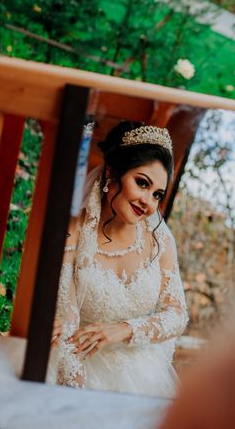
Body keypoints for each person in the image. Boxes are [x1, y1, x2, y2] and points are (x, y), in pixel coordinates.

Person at [47, 121, 188, 398]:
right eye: (142, 183)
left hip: (145, 375)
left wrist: (123, 330)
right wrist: (76, 399)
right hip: (80, 365)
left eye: (157, 194)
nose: (148, 202)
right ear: (112, 170)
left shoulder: (160, 239)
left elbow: (177, 315)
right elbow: (67, 324)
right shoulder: (73, 232)